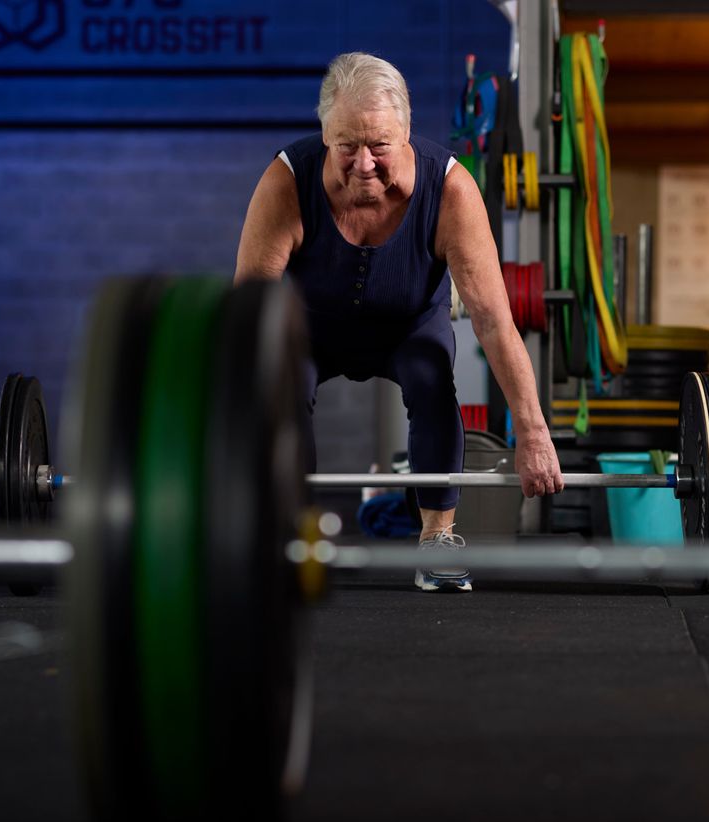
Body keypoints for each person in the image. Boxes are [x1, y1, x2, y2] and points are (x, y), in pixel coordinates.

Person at [233, 51, 564, 592]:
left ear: (407, 133)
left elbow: (493, 321)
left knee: (433, 379)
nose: (363, 163)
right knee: (281, 388)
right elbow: (245, 317)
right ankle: (290, 535)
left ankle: (436, 540)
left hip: (411, 326)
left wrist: (532, 431)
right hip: (312, 329)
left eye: (379, 146)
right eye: (346, 146)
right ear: (325, 134)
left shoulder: (450, 191)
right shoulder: (286, 183)